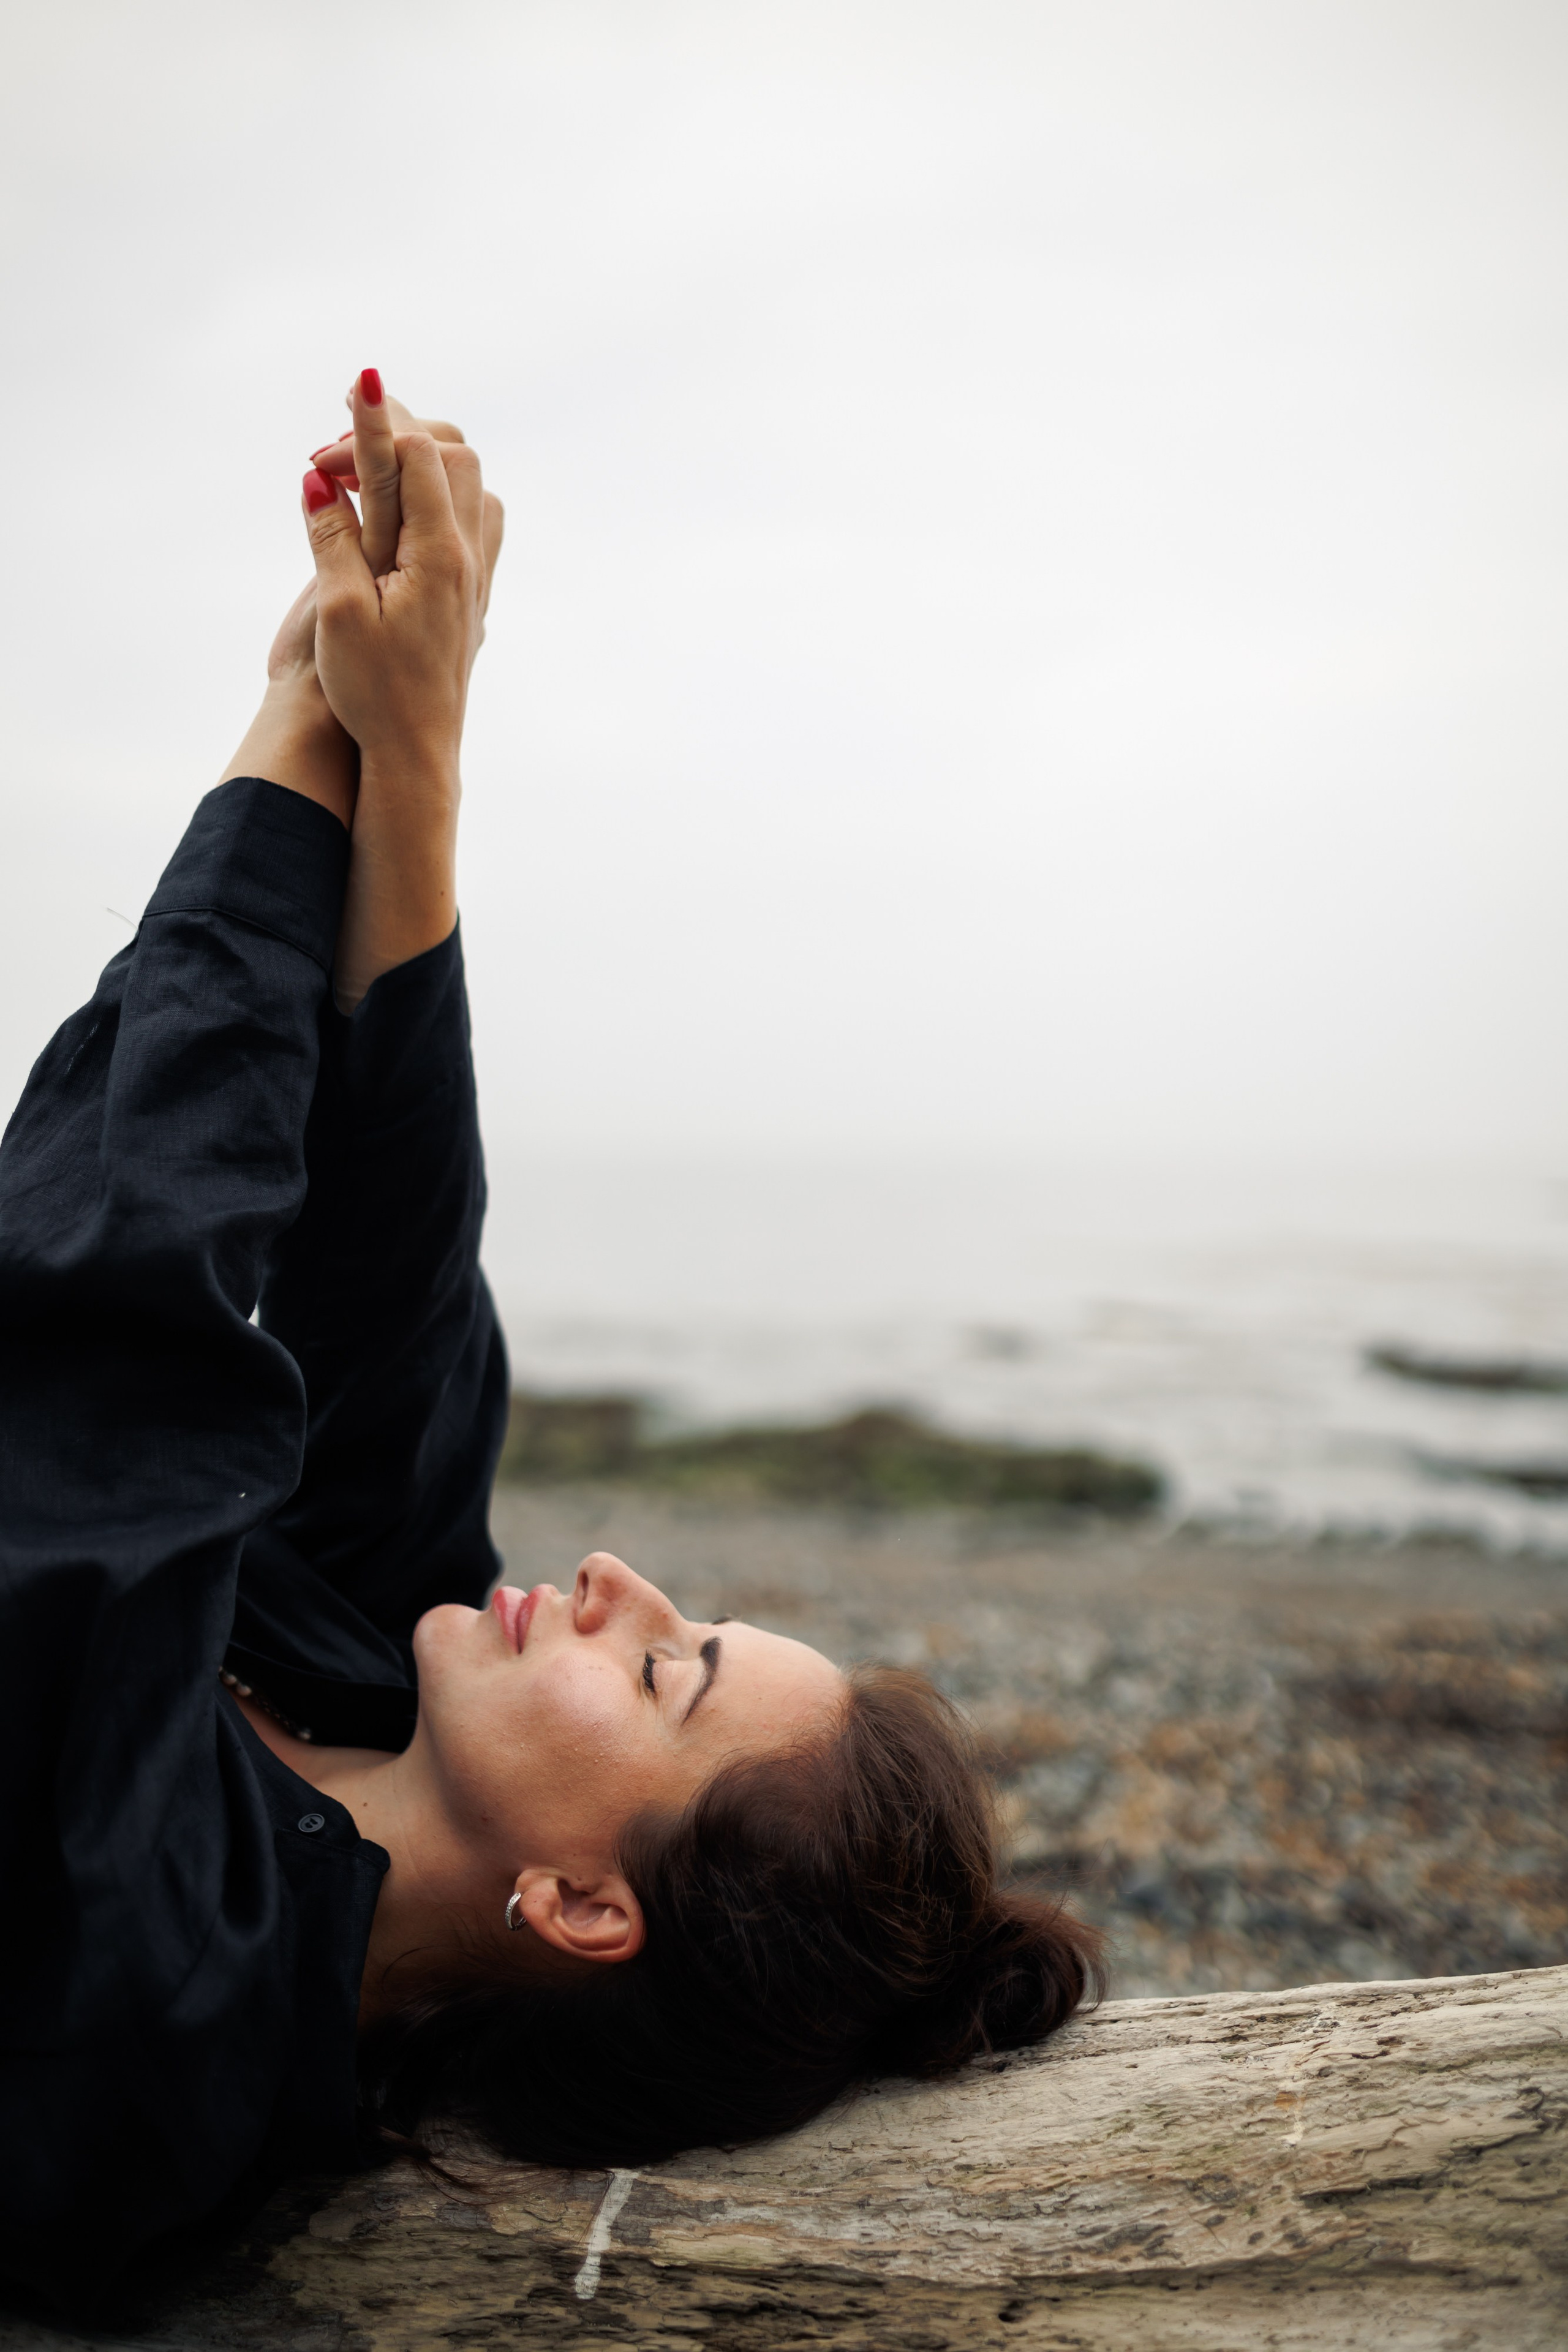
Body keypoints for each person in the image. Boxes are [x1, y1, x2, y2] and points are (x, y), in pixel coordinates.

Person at [0, 372, 1102, 2313]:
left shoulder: (158, 1992)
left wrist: (289, 730)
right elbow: (403, 1298)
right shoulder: (362, 1690)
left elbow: (112, 1311)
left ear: (585, 1907)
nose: (611, 1576)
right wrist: (408, 748)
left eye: (671, 1672)